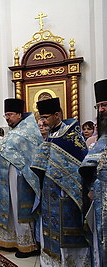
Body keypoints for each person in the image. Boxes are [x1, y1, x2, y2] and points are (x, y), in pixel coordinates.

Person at [31, 97, 89, 266]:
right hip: (49, 194)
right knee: (50, 231)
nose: (42, 121)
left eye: (45, 117)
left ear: (57, 115)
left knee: (65, 234)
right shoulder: (51, 135)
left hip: (67, 195)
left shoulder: (72, 137)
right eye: (41, 118)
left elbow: (79, 167)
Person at [0, 98, 42, 258]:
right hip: (6, 180)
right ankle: (11, 240)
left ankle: (28, 245)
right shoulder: (14, 131)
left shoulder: (29, 130)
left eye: (10, 114)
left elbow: (32, 155)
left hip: (21, 180)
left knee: (20, 210)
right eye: (5, 115)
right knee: (10, 209)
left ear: (19, 114)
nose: (7, 118)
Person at [79, 79, 107, 267]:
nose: (102, 110)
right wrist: (90, 187)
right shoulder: (101, 139)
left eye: (105, 105)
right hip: (99, 199)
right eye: (99, 106)